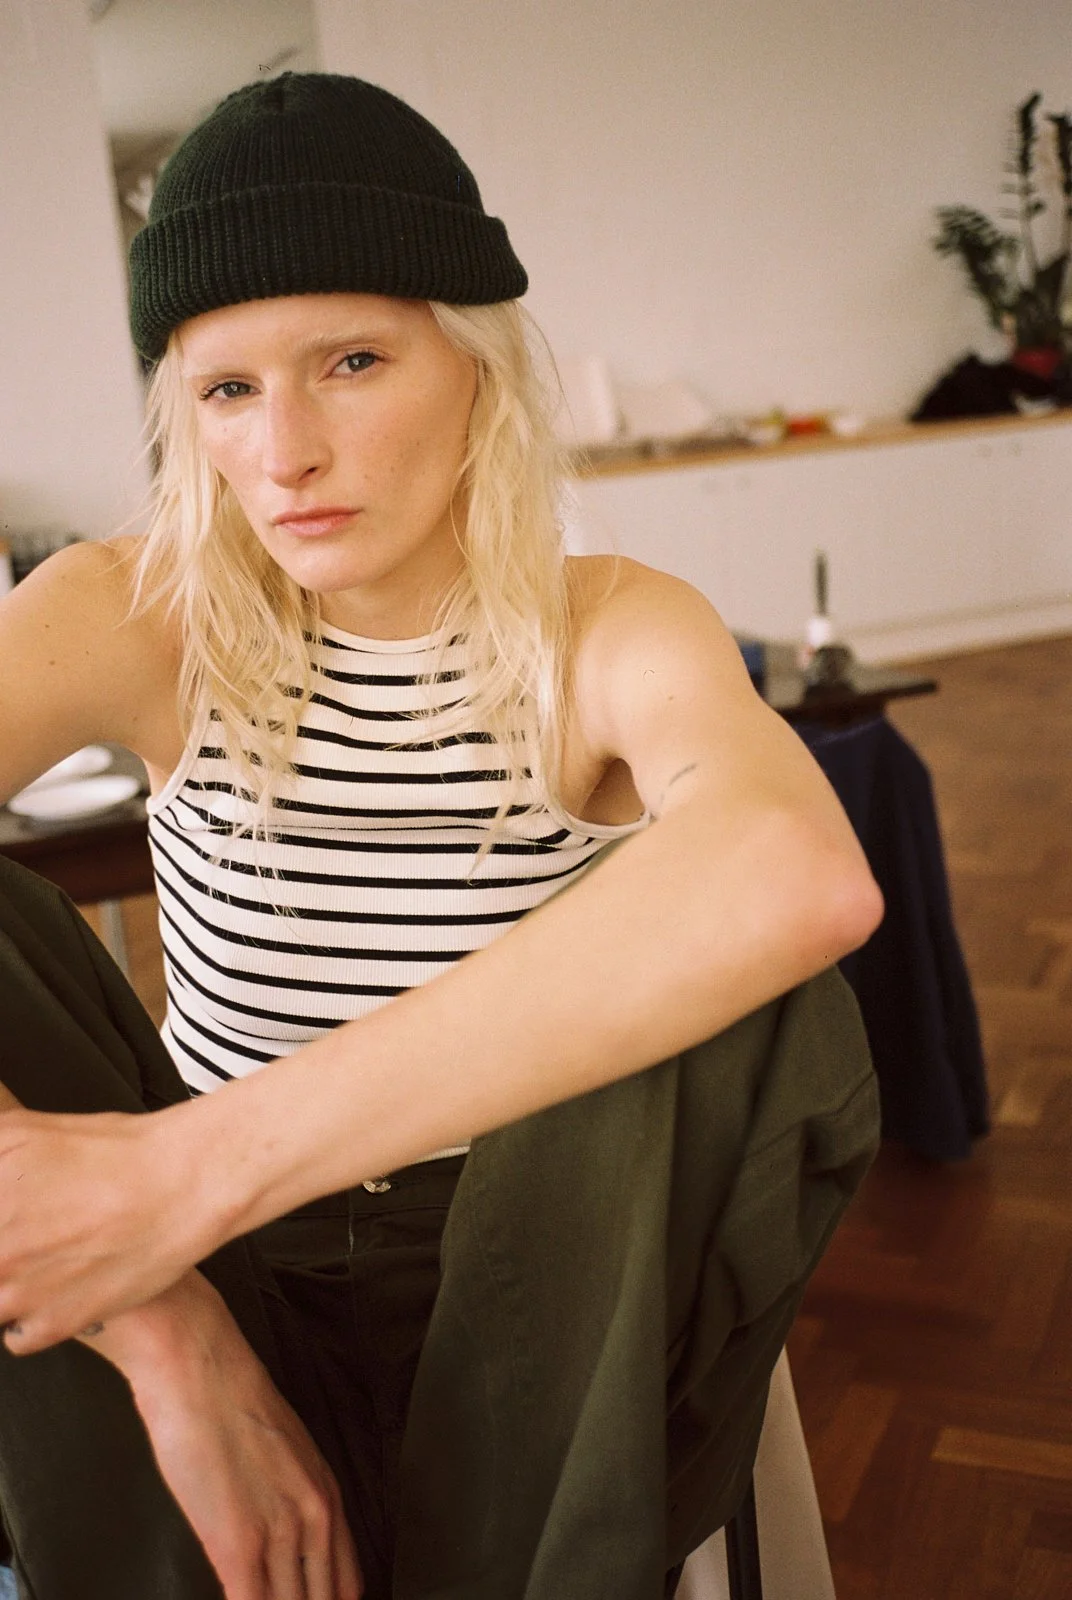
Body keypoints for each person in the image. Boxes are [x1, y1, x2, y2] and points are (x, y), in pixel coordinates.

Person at [0, 73, 882, 1600]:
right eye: (226, 389)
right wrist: (159, 1316)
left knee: (755, 992)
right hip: (208, 1266)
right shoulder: (133, 610)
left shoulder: (611, 624)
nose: (285, 451)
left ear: (478, 364)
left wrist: (183, 1175)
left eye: (351, 361)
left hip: (530, 1284)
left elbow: (797, 871)